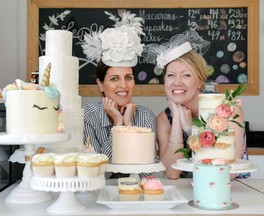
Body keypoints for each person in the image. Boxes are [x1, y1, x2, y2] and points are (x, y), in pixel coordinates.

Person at [142, 30, 249, 180]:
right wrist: (177, 121)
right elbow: (172, 173)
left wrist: (189, 130)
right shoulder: (164, 120)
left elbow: (228, 172)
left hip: (232, 191)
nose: (177, 82)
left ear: (200, 81)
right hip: (187, 193)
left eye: (186, 75)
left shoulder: (226, 108)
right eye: (171, 75)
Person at [81, 10, 159, 179]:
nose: (123, 85)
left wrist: (128, 123)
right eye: (114, 78)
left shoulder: (145, 116)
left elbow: (146, 172)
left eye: (128, 78)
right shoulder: (88, 116)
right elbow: (100, 173)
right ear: (101, 84)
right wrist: (118, 125)